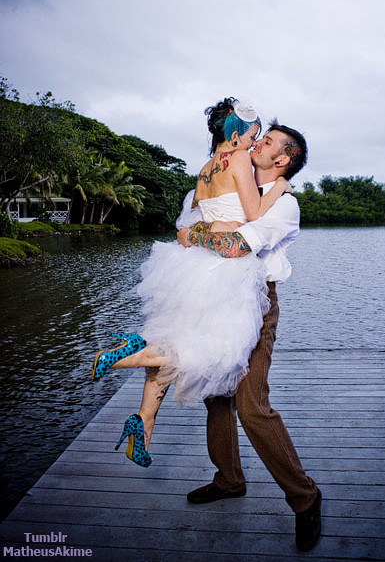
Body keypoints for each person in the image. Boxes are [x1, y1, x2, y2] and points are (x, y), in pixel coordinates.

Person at [91, 97, 290, 462]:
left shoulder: (204, 169)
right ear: (236, 135)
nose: (254, 141)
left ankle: (143, 423)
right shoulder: (241, 160)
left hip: (189, 267)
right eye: (252, 134)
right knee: (208, 353)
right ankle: (132, 352)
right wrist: (280, 188)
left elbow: (188, 226)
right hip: (226, 273)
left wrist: (210, 225)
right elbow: (255, 213)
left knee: (178, 337)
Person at [176, 120, 322, 552]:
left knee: (250, 403)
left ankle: (305, 497)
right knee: (215, 395)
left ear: (282, 160)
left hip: (255, 303)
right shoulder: (220, 180)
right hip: (209, 295)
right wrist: (197, 233)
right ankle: (229, 480)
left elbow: (237, 244)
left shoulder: (283, 205)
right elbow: (183, 223)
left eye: (269, 142)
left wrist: (195, 235)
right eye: (259, 135)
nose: (257, 142)